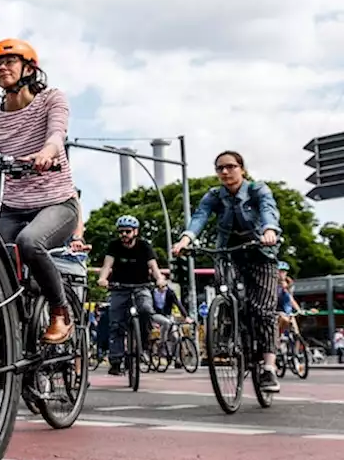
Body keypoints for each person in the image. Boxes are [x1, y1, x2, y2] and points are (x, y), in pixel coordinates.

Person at [0, 39, 80, 344]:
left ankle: (60, 310)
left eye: (10, 62)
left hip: (57, 203)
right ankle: (4, 338)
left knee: (29, 243)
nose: (2, 68)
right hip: (14, 207)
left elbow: (57, 133)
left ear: (29, 68)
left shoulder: (51, 99)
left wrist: (48, 150)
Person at [171, 150, 283, 393]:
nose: (224, 172)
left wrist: (269, 230)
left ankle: (269, 368)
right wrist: (185, 239)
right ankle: (231, 336)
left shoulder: (257, 190)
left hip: (260, 252)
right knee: (225, 296)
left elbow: (268, 209)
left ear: (241, 168)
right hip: (228, 253)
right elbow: (199, 217)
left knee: (262, 310)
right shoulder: (214, 196)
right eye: (219, 168)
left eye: (230, 166)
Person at [98, 215, 165, 375]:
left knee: (146, 310)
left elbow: (154, 267)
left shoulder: (144, 246)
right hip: (119, 288)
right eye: (121, 232)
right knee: (116, 324)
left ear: (135, 232)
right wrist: (102, 278)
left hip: (141, 287)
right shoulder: (114, 246)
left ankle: (143, 344)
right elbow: (107, 265)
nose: (124, 235)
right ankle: (115, 361)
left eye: (127, 231)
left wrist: (160, 279)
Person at [150, 276, 187, 367]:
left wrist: (186, 316)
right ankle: (162, 341)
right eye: (162, 286)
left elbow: (178, 304)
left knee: (176, 337)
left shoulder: (170, 293)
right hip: (155, 315)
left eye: (165, 286)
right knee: (166, 322)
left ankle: (177, 359)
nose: (164, 288)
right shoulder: (151, 293)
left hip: (168, 316)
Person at [275, 264, 299, 339]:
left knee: (297, 332)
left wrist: (299, 310)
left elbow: (290, 299)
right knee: (284, 320)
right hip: (278, 311)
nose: (283, 274)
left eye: (284, 272)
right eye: (281, 271)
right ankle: (278, 338)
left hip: (288, 311)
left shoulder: (289, 283)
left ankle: (297, 349)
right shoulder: (273, 285)